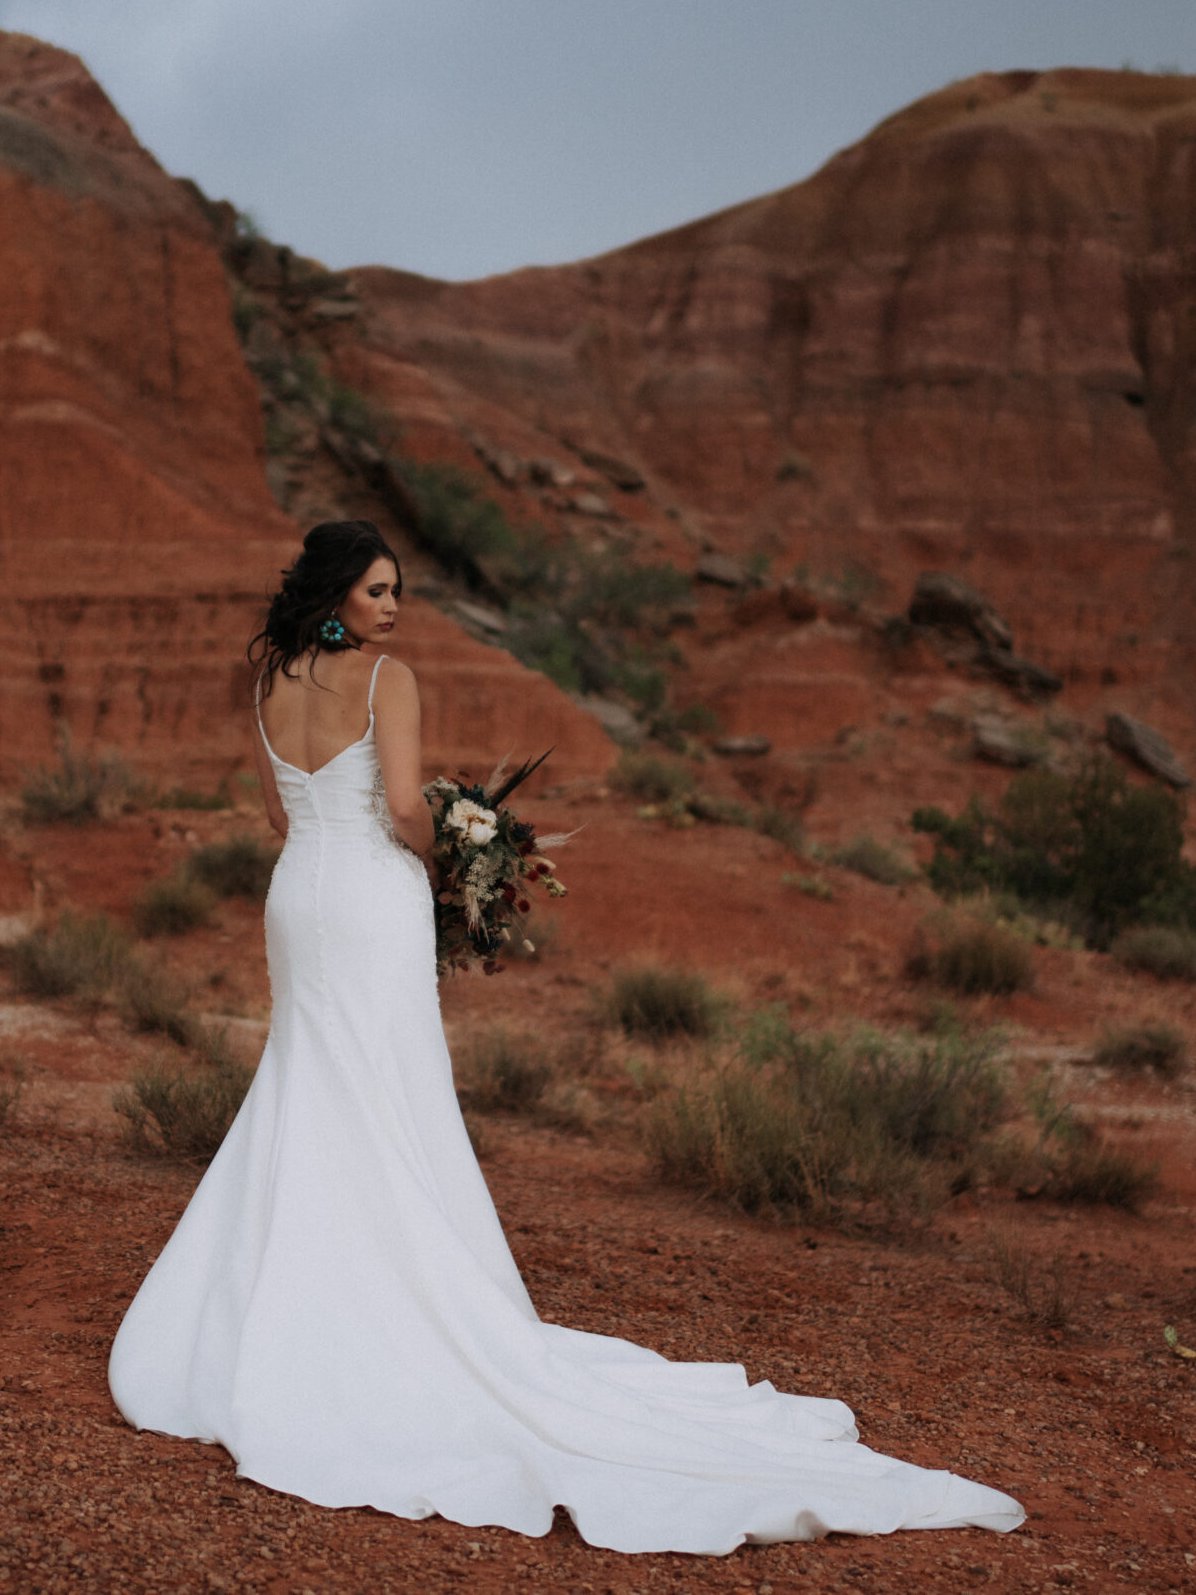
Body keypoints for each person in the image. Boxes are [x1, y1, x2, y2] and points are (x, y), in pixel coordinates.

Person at [107, 519, 1025, 1554]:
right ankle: (388, 1301)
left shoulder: (270, 682)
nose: (393, 605)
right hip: (369, 894)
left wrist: (393, 837)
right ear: (336, 594)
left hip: (297, 899)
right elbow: (406, 807)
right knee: (387, 1083)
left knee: (308, 1075)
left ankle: (276, 1298)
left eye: (396, 589)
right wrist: (459, 849)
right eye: (376, 590)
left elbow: (282, 817)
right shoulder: (385, 678)